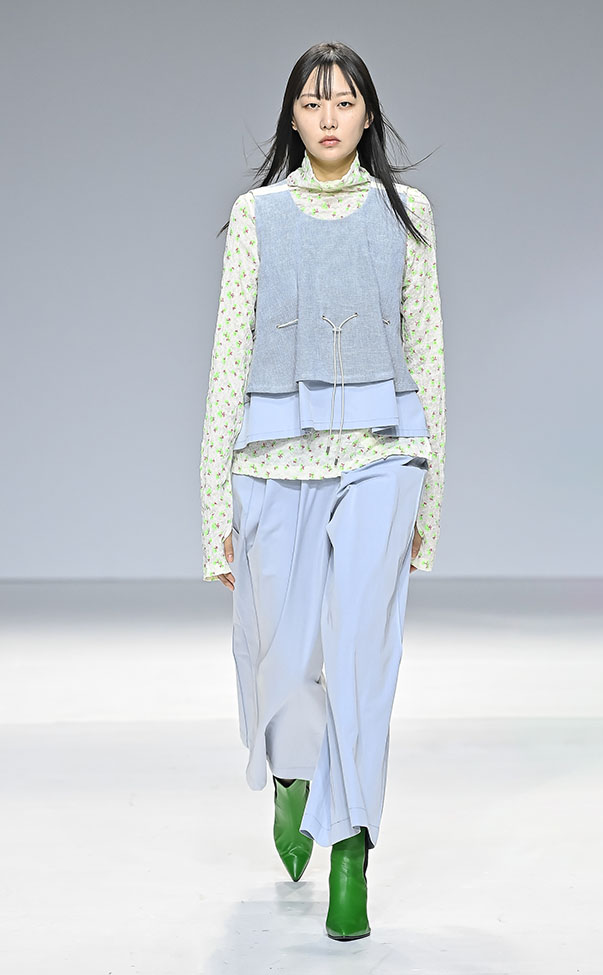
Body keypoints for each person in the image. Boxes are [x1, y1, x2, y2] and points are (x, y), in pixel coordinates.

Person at [199, 40, 446, 941]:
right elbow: (228, 361)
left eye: (344, 101)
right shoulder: (258, 216)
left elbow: (428, 353)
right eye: (313, 102)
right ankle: (293, 777)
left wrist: (430, 500)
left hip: (383, 455)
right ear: (293, 118)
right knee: (287, 656)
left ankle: (351, 852)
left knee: (361, 654)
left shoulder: (405, 213)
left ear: (367, 113)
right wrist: (212, 509)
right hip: (275, 460)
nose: (330, 116)